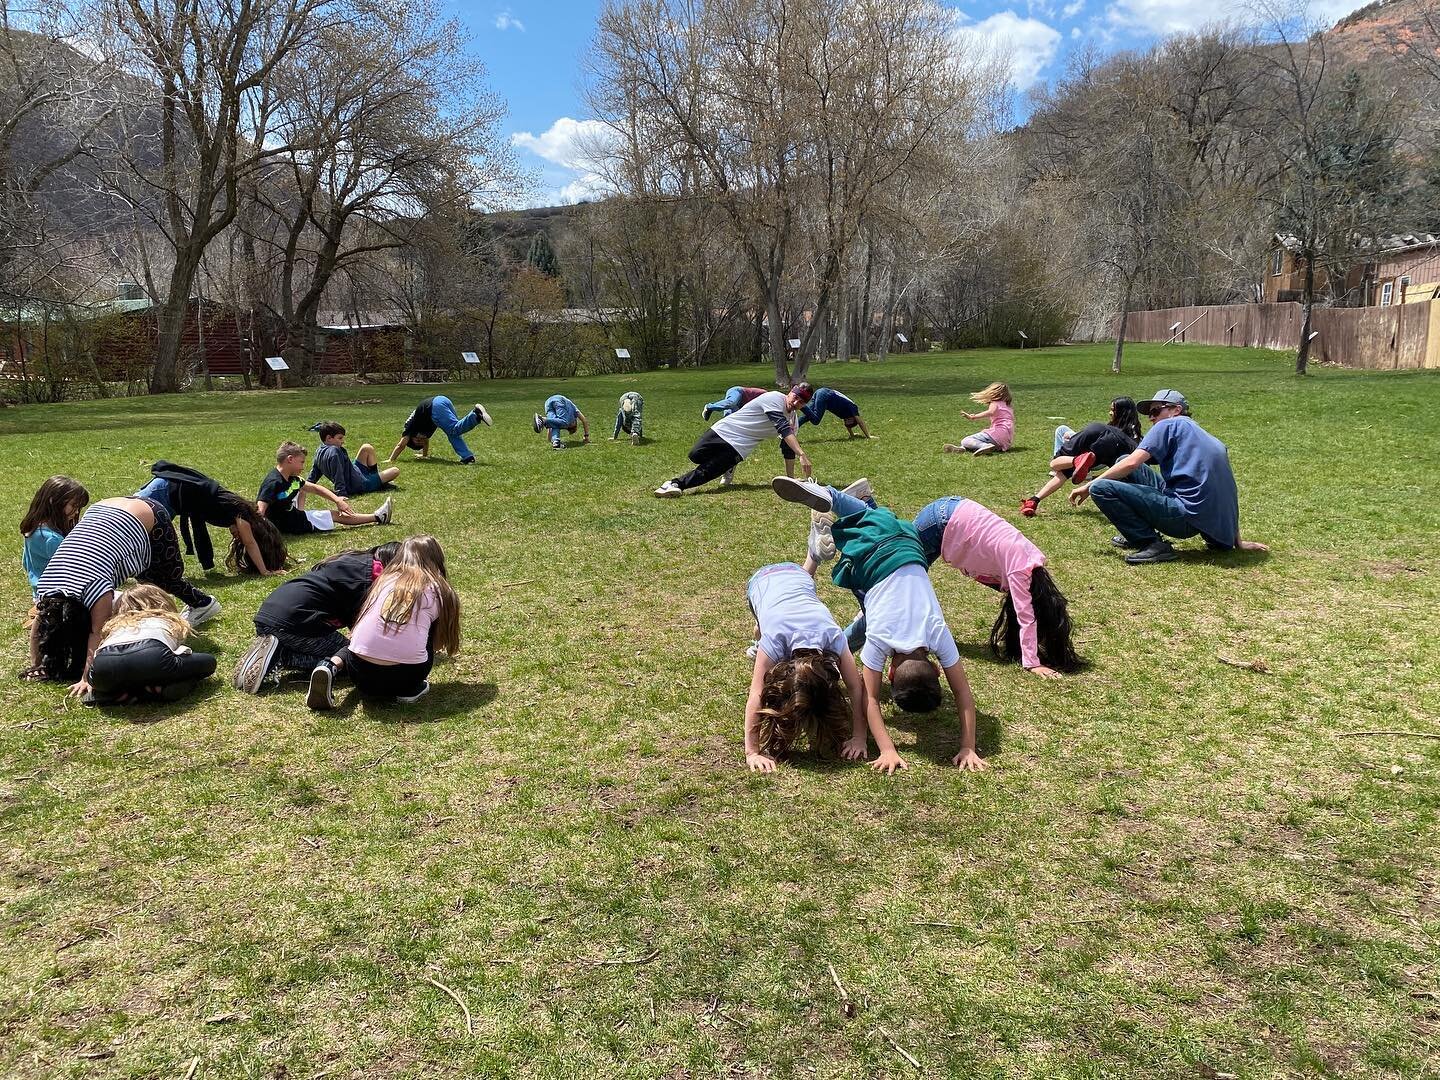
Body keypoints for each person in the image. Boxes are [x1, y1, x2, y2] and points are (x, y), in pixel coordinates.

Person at [771, 477, 986, 772]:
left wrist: (969, 746)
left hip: (911, 543)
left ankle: (857, 501)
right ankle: (828, 495)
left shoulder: (937, 632)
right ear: (891, 671)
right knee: (861, 559)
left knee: (874, 520)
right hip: (872, 557)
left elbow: (963, 695)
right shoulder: (880, 640)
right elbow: (868, 696)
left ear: (936, 669)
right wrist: (880, 746)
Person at [816, 491, 1081, 679]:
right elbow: (1026, 618)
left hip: (952, 512)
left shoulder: (1032, 562)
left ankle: (867, 506)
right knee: (889, 587)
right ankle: (834, 653)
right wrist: (1032, 663)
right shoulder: (1022, 571)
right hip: (944, 522)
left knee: (897, 552)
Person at [25, 496, 221, 695]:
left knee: (164, 581)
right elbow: (41, 622)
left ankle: (203, 603)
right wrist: (37, 665)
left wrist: (87, 678)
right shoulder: (48, 585)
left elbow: (96, 631)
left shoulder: (96, 588)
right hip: (101, 508)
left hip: (149, 512)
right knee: (145, 583)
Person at [1070, 389, 1270, 565]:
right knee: (1122, 458)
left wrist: (1089, 485)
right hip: (1208, 518)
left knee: (1101, 488)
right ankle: (1139, 534)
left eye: (1156, 411)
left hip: (1184, 517)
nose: (1151, 417)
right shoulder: (1209, 438)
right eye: (1150, 413)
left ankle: (1150, 543)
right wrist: (1237, 541)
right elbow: (1227, 492)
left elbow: (1132, 463)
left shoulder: (1168, 425)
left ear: (1176, 410)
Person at [742, 561, 886, 773]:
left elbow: (856, 688)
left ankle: (763, 625)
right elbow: (756, 693)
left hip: (799, 578)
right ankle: (760, 631)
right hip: (761, 581)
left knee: (771, 622)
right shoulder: (775, 639)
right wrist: (752, 752)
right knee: (766, 635)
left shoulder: (833, 635)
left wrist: (859, 737)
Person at [305, 535, 461, 709]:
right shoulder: (439, 590)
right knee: (426, 628)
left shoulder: (383, 581)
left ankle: (330, 665)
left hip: (360, 674)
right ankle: (410, 690)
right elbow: (440, 642)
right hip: (405, 678)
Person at [232, 542, 401, 693]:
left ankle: (271, 650)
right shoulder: (375, 576)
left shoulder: (354, 561)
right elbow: (363, 635)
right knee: (355, 661)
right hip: (295, 622)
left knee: (343, 653)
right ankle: (282, 655)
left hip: (269, 615)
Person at [655, 384, 814, 497]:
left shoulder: (793, 422)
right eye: (795, 397)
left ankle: (675, 485)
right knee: (695, 455)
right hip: (725, 430)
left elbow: (787, 448)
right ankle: (726, 467)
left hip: (740, 447)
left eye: (801, 402)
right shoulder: (774, 398)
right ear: (790, 392)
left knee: (707, 471)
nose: (795, 403)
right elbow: (782, 428)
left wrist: (790, 480)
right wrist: (802, 454)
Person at [137, 461, 288, 576]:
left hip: (171, 495)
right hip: (166, 490)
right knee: (129, 520)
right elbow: (250, 543)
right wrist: (265, 571)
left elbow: (249, 541)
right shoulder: (242, 515)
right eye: (240, 535)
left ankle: (146, 571)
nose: (237, 538)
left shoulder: (236, 510)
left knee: (150, 535)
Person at [85, 584, 217, 705]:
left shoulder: (114, 625)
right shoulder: (166, 619)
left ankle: (113, 693)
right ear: (161, 602)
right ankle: (156, 690)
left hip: (103, 665)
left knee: (122, 676)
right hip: (151, 656)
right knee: (208, 662)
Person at [1021, 397, 1142, 517]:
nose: (1110, 413)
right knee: (1123, 476)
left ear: (1120, 412)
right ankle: (1034, 500)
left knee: (1056, 465)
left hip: (1097, 435)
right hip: (1114, 453)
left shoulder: (1105, 429)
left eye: (1112, 410)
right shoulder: (1135, 436)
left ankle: (1034, 500)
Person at [258, 442, 392, 536]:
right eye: (302, 462)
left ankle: (378, 517)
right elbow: (260, 513)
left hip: (292, 516)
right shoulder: (273, 482)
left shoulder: (291, 478)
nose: (303, 467)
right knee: (334, 515)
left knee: (303, 489)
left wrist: (337, 500)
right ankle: (378, 517)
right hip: (292, 524)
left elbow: (316, 489)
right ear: (290, 459)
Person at [21, 476, 89, 595]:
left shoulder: (33, 529)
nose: (77, 511)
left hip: (39, 593)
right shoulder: (52, 539)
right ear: (53, 501)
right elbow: (75, 571)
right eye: (73, 505)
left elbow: (26, 563)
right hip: (59, 595)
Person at [388, 397, 493, 463]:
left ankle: (476, 415)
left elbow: (401, 445)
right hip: (442, 400)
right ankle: (467, 457)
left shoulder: (409, 427)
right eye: (421, 442)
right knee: (452, 434)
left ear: (411, 438)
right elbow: (425, 442)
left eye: (417, 441)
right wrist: (424, 455)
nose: (421, 440)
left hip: (435, 407)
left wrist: (391, 459)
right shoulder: (423, 434)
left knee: (454, 429)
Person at [309, 421, 400, 496]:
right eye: (340, 438)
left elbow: (315, 472)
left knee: (366, 447)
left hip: (355, 471)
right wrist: (341, 493)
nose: (343, 441)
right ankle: (377, 484)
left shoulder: (320, 450)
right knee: (395, 471)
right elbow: (338, 474)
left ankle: (376, 479)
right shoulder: (334, 452)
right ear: (329, 438)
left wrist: (307, 484)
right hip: (359, 484)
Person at [945, 381, 1014, 455]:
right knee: (976, 441)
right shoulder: (1008, 407)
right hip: (1005, 440)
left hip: (996, 435)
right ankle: (962, 448)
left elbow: (991, 412)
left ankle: (984, 446)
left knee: (966, 440)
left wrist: (974, 417)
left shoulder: (995, 403)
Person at [798, 386, 872, 439]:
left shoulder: (845, 415)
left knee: (806, 416)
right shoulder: (853, 408)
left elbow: (848, 424)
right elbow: (860, 421)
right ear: (854, 418)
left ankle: (791, 428)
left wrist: (852, 434)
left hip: (821, 392)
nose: (847, 421)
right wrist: (868, 436)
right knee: (816, 420)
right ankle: (802, 406)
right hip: (825, 395)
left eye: (847, 422)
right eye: (849, 420)